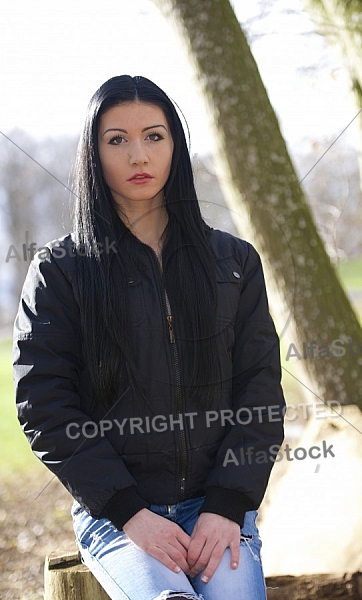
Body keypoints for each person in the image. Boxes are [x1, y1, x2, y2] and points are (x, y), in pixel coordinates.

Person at [13, 75, 285, 600]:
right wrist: (128, 513)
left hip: (218, 510)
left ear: (176, 146)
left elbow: (260, 394)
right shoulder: (61, 271)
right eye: (117, 139)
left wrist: (228, 506)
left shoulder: (234, 262)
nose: (138, 154)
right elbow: (45, 403)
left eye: (154, 136)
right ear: (93, 154)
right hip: (119, 516)